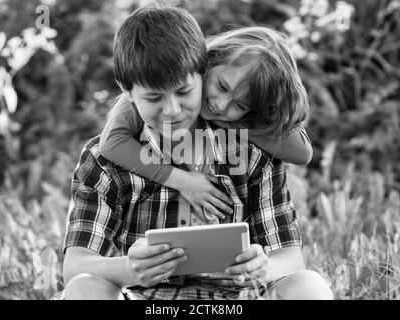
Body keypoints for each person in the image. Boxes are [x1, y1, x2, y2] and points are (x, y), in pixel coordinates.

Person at [58, 6, 333, 300]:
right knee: (84, 290)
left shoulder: (252, 154)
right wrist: (128, 269)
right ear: (127, 90)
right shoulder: (106, 160)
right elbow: (75, 268)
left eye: (184, 91)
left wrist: (264, 268)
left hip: (231, 302)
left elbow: (291, 259)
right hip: (144, 300)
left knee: (309, 286)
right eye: (153, 97)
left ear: (202, 70)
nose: (172, 110)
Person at [99, 26, 313, 223]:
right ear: (209, 61)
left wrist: (235, 124)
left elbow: (302, 152)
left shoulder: (236, 118)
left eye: (239, 105)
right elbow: (111, 142)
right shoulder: (169, 81)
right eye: (221, 86)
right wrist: (183, 181)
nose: (220, 105)